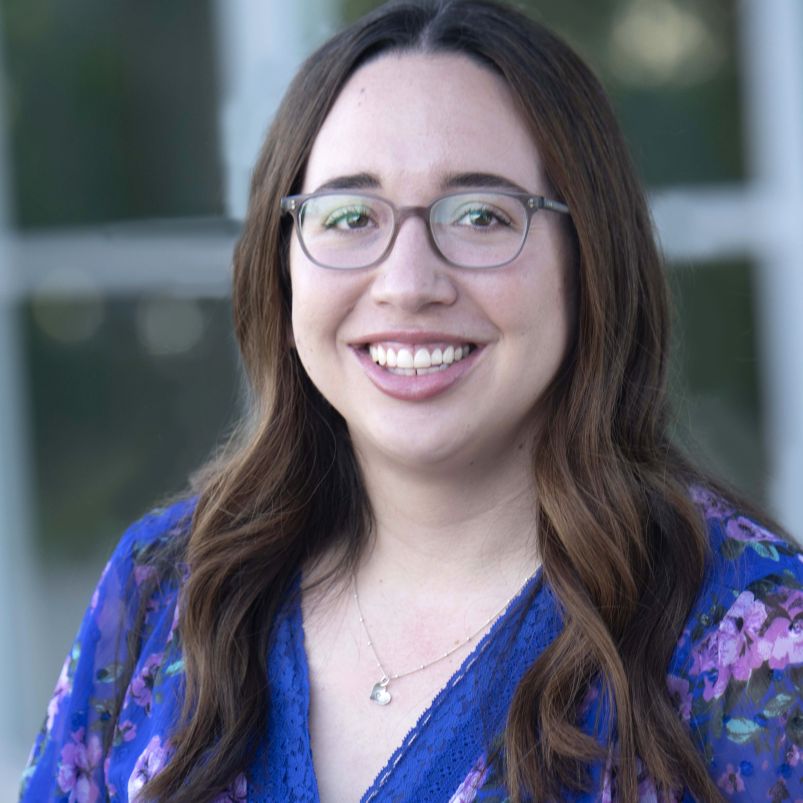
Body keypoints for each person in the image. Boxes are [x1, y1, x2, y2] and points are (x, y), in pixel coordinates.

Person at [19, 0, 803, 801]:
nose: (407, 284)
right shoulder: (162, 593)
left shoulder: (755, 638)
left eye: (480, 216)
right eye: (351, 215)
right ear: (282, 261)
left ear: (588, 257)